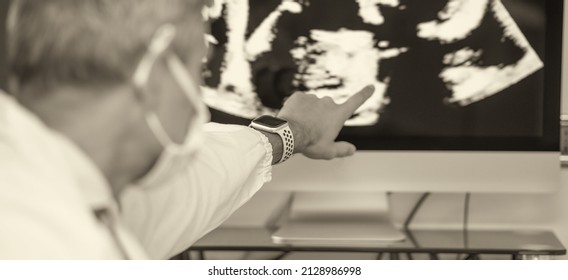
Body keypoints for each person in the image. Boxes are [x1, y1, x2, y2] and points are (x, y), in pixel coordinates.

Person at [0, 0, 374, 259]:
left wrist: (293, 131)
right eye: (199, 67)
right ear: (153, 73)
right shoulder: (59, 248)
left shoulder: (63, 179)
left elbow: (187, 189)